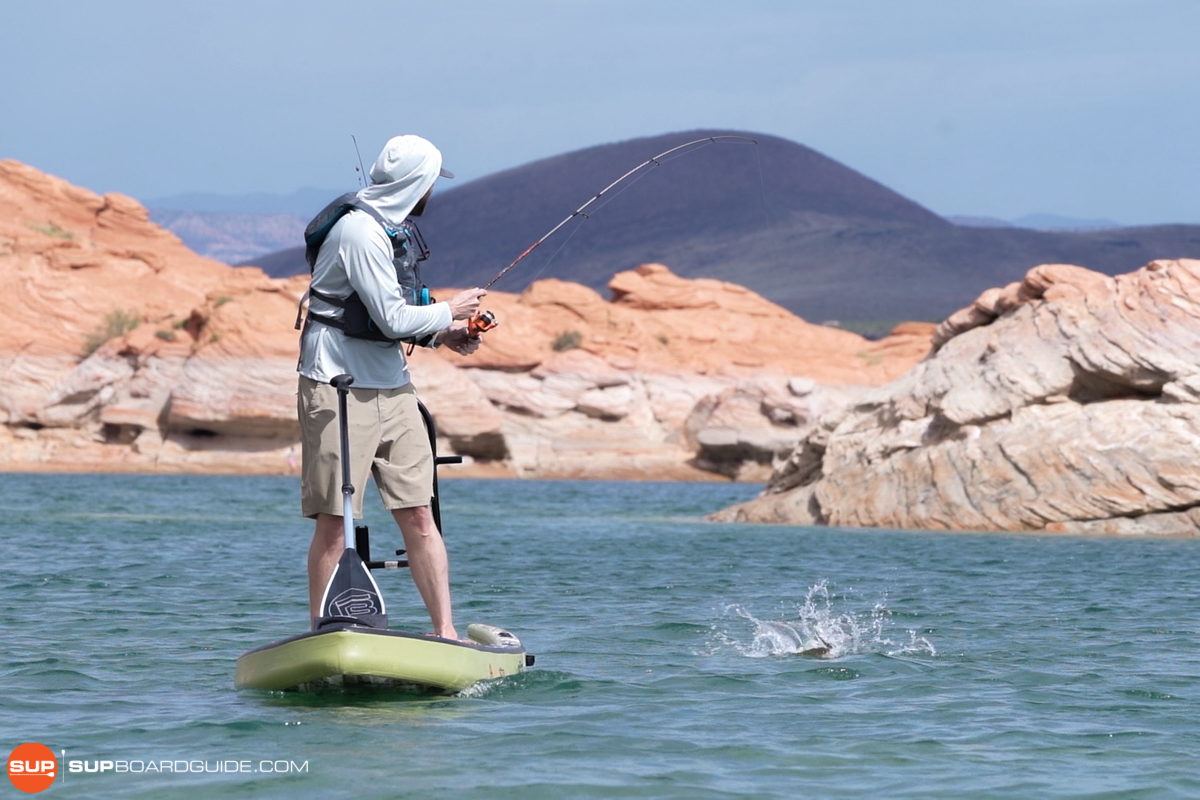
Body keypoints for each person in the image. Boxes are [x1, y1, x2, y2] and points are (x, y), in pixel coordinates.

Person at [297, 134, 486, 639]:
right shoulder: (359, 233)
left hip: (393, 387)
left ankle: (445, 632)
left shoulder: (395, 233)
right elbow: (391, 315)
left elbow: (391, 320)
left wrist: (447, 335)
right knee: (335, 522)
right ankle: (324, 634)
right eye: (431, 184)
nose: (432, 193)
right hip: (337, 386)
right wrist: (454, 307)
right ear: (417, 183)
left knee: (420, 514)